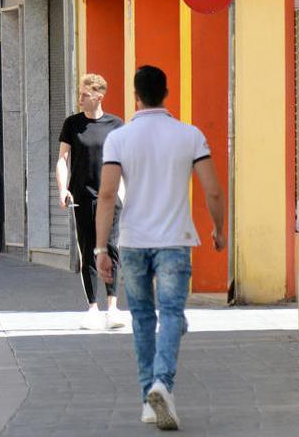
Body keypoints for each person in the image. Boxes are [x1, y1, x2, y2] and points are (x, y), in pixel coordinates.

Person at [95, 66, 226, 431]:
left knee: (141, 318)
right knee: (170, 314)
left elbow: (106, 196)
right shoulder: (189, 135)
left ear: (136, 95)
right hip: (175, 241)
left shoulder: (119, 139)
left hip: (134, 241)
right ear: (166, 93)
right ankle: (162, 385)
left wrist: (100, 249)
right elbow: (212, 190)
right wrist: (219, 228)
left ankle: (148, 402)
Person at [56, 73, 125, 331]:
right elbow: (63, 158)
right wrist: (63, 188)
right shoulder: (72, 124)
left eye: (85, 94)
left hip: (110, 197)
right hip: (81, 196)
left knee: (110, 248)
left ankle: (113, 308)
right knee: (88, 251)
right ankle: (92, 309)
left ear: (99, 95)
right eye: (80, 94)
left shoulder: (116, 125)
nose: (80, 99)